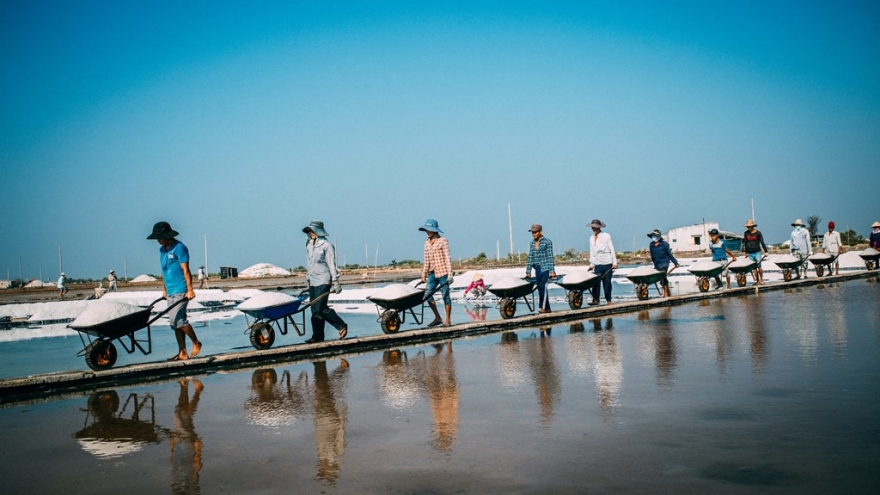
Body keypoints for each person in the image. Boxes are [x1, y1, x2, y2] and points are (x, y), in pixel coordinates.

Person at [147, 221, 201, 361]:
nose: (158, 241)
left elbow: (186, 270)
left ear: (167, 235)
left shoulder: (180, 248)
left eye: (160, 237)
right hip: (170, 290)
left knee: (180, 321)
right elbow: (164, 271)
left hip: (181, 289)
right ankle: (182, 352)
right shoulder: (162, 250)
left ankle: (196, 342)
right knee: (174, 323)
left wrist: (190, 289)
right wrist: (164, 289)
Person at [303, 220, 347, 343]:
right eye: (309, 231)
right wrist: (307, 279)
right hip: (313, 280)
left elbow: (331, 264)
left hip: (323, 280)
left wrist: (335, 281)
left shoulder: (327, 246)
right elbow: (309, 263)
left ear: (318, 231)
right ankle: (317, 336)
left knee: (321, 308)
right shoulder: (309, 244)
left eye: (312, 231)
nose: (310, 233)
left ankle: (341, 325)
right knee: (314, 309)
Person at [420, 219, 453, 326]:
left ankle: (448, 319)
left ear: (435, 230)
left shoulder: (443, 241)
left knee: (445, 295)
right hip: (432, 273)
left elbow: (447, 258)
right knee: (427, 294)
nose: (427, 232)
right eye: (427, 230)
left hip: (443, 272)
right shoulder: (426, 243)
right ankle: (438, 317)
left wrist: (450, 275)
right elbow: (426, 260)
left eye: (429, 230)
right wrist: (423, 274)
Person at [525, 224, 556, 313]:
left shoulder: (547, 242)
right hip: (537, 268)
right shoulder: (532, 243)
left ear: (540, 232)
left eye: (535, 232)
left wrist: (552, 271)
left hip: (545, 268)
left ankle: (542, 308)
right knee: (539, 288)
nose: (534, 234)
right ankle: (548, 308)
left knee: (543, 288)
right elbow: (530, 257)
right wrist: (528, 271)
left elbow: (550, 257)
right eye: (532, 232)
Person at [587, 219, 617, 305]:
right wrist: (591, 264)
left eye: (595, 227)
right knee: (595, 282)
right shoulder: (591, 238)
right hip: (597, 264)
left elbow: (612, 249)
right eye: (593, 227)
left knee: (607, 283)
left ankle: (609, 300)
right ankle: (596, 300)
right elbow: (592, 252)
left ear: (599, 227)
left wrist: (615, 263)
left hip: (607, 263)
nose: (594, 229)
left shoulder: (606, 236)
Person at [647, 229, 680, 298]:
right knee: (661, 278)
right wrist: (654, 265)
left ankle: (665, 294)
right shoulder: (651, 245)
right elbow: (652, 256)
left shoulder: (664, 244)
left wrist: (675, 262)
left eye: (655, 236)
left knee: (662, 277)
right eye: (653, 236)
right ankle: (668, 292)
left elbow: (669, 254)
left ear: (659, 236)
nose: (654, 237)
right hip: (657, 264)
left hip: (664, 263)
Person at [743, 219, 768, 285]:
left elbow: (762, 242)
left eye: (749, 226)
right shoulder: (746, 233)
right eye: (747, 226)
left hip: (757, 252)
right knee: (753, 268)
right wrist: (746, 252)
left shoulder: (758, 233)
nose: (748, 228)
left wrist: (766, 251)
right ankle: (757, 281)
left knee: (759, 266)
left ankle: (761, 279)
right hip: (750, 253)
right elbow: (745, 243)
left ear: (752, 226)